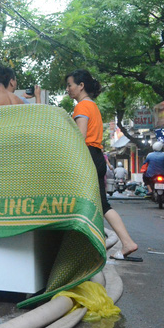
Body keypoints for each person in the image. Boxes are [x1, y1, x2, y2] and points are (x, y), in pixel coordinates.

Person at [66, 69, 141, 261]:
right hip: (97, 156)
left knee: (87, 203)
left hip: (88, 156)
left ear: (81, 86)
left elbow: (80, 138)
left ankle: (121, 243)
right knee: (100, 204)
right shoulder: (92, 106)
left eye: (70, 85)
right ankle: (119, 242)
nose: (68, 89)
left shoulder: (82, 107)